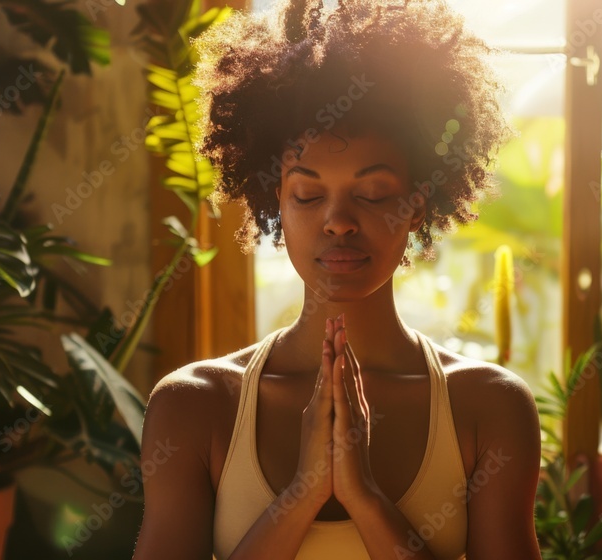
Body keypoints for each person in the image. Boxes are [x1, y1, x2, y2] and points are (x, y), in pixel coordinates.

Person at [132, 0, 543, 558]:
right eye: (307, 194)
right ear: (274, 199)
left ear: (418, 205)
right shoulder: (195, 406)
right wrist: (301, 494)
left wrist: (365, 498)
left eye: (373, 194)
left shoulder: (488, 408)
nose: (339, 221)